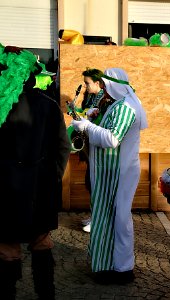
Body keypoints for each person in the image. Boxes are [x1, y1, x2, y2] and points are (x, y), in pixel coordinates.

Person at [0, 45, 71, 299]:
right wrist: (51, 179)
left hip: (5, 190)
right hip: (40, 187)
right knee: (41, 242)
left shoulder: (1, 107)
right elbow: (63, 148)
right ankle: (46, 295)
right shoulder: (49, 105)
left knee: (8, 249)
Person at [70, 68, 148, 284]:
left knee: (120, 219)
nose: (102, 89)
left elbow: (112, 139)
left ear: (114, 86)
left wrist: (86, 127)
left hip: (120, 172)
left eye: (105, 85)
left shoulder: (126, 107)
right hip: (109, 171)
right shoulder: (115, 104)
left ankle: (122, 269)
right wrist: (93, 119)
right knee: (108, 217)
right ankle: (107, 263)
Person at [76, 68, 106, 233]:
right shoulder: (93, 96)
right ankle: (94, 214)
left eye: (88, 83)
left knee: (96, 183)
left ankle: (97, 219)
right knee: (91, 181)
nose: (86, 87)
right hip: (90, 144)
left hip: (97, 146)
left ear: (97, 83)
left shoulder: (103, 98)